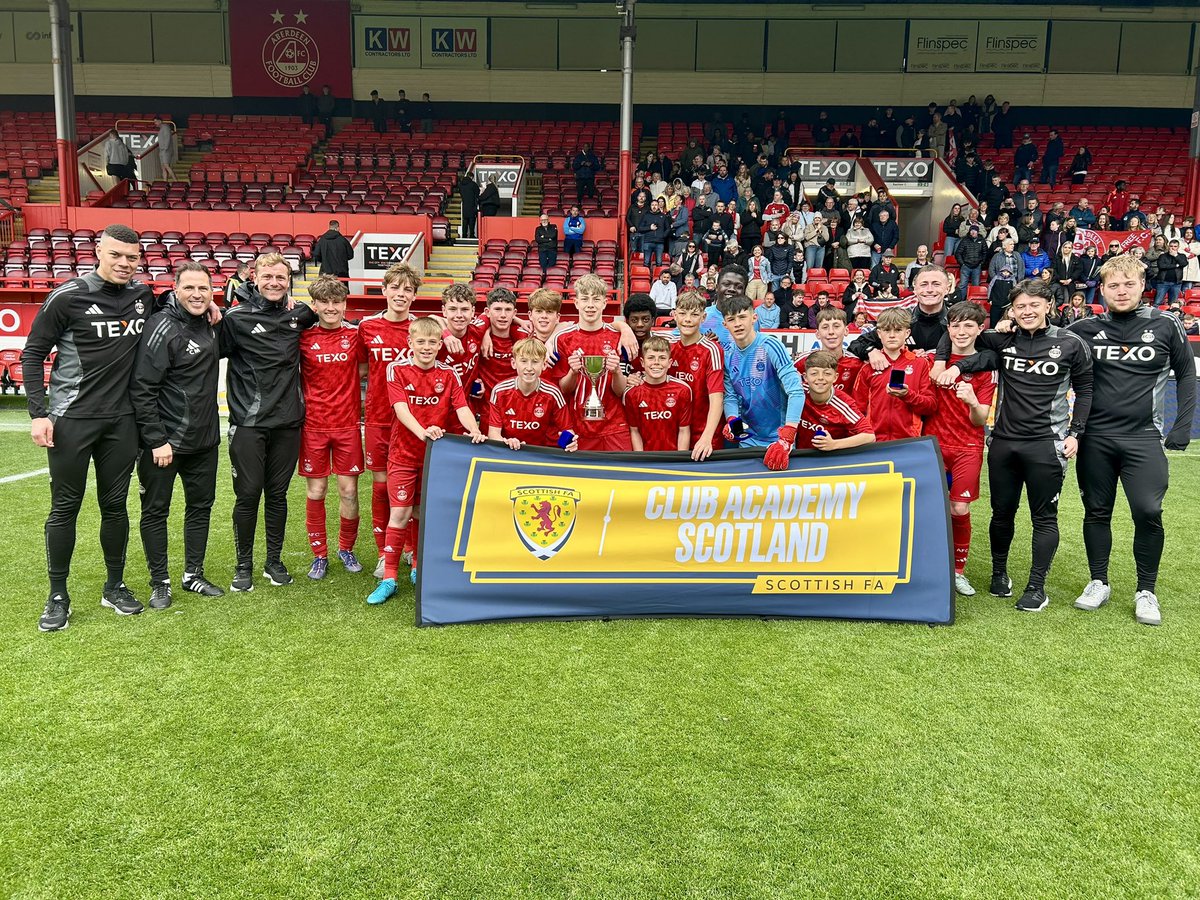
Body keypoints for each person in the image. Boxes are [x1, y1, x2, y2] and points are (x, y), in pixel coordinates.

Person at [24, 225, 157, 631]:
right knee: (65, 507)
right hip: (71, 421)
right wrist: (38, 413)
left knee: (115, 506)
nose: (123, 263)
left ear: (139, 260)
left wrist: (209, 308)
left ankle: (114, 586)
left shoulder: (143, 296)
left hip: (122, 422)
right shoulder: (67, 296)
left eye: (131, 257)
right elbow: (32, 353)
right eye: (116, 254)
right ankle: (57, 595)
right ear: (98, 251)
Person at [935, 279, 1093, 612]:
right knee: (1001, 514)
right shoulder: (1003, 339)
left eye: (1034, 305)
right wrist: (947, 363)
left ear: (1048, 305)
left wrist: (1075, 433)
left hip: (1046, 445)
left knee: (1044, 518)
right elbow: (958, 335)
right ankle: (998, 574)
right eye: (1020, 306)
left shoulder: (1070, 342)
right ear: (1012, 310)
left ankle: (1036, 587)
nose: (1027, 311)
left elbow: (1086, 390)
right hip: (1004, 443)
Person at [1066, 255, 1194, 625]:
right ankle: (1098, 581)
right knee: (1096, 511)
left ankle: (1146, 590)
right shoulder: (1085, 328)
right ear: (1102, 289)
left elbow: (1186, 374)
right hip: (1096, 438)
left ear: (1142, 286)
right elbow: (1050, 354)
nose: (1121, 292)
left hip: (1143, 437)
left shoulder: (1166, 324)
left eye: (1128, 284)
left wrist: (1181, 426)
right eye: (1113, 285)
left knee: (1148, 511)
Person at [129, 261, 225, 611]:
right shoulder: (162, 326)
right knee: (156, 511)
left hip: (205, 442)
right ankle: (160, 582)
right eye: (189, 288)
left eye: (204, 289)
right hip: (165, 445)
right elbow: (142, 388)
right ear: (175, 289)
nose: (197, 295)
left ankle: (193, 574)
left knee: (200, 508)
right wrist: (156, 440)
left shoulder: (212, 324)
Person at [369, 318, 486, 604]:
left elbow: (461, 407)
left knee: (421, 512)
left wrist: (475, 430)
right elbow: (401, 410)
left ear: (439, 345)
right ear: (410, 343)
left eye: (432, 342)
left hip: (434, 457)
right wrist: (424, 433)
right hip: (403, 454)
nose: (426, 347)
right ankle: (389, 579)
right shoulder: (396, 369)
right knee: (400, 513)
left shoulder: (448, 373)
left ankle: (418, 567)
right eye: (420, 342)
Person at [220, 252, 318, 592]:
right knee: (247, 495)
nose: (274, 283)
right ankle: (243, 564)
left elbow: (327, 309)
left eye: (281, 278)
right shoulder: (234, 318)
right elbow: (205, 348)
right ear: (254, 278)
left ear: (289, 281)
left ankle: (273, 561)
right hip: (248, 423)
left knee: (277, 494)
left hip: (289, 421)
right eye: (268, 277)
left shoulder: (300, 314)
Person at [923, 302, 996, 596]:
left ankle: (957, 571)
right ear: (948, 328)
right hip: (933, 444)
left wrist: (972, 402)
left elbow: (981, 419)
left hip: (968, 446)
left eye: (969, 326)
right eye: (956, 325)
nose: (962, 331)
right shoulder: (932, 361)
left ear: (980, 329)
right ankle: (926, 565)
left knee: (959, 507)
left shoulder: (986, 367)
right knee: (928, 506)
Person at [297, 276, 365, 582]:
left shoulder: (356, 336)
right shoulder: (302, 337)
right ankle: (319, 555)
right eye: (324, 302)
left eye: (336, 302)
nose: (331, 307)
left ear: (345, 304)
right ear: (314, 305)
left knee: (349, 490)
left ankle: (346, 549)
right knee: (317, 490)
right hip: (313, 426)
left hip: (348, 425)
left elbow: (366, 366)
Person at [358, 263, 419, 577]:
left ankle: (410, 549)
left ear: (413, 296)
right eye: (395, 288)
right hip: (380, 420)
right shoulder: (367, 327)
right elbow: (360, 370)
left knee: (412, 490)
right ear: (384, 290)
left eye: (407, 289)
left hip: (411, 424)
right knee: (382, 486)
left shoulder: (422, 329)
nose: (400, 294)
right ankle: (385, 552)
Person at [546, 274, 632, 451]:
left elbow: (620, 391)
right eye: (585, 299)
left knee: (622, 475)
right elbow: (563, 389)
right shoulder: (562, 339)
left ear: (605, 303)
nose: (590, 305)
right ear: (576, 303)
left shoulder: (618, 337)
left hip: (614, 427)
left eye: (596, 299)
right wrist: (572, 372)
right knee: (578, 478)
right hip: (577, 426)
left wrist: (616, 372)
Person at [720, 294, 806, 471]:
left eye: (742, 317)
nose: (737, 323)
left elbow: (796, 392)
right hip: (747, 439)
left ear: (754, 317)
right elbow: (730, 397)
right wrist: (733, 422)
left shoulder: (771, 345)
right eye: (731, 319)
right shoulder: (727, 355)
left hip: (778, 439)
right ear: (725, 324)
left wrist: (787, 437)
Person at [851, 308, 936, 443]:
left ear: (907, 333)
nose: (892, 335)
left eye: (897, 330)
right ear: (879, 333)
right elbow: (857, 409)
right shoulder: (868, 367)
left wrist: (908, 395)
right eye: (886, 330)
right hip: (874, 442)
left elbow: (930, 406)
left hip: (908, 442)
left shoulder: (920, 364)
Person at [486, 338, 575, 450]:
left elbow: (567, 430)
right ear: (514, 363)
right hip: (509, 452)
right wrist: (507, 443)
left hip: (540, 454)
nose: (529, 368)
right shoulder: (500, 391)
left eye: (535, 362)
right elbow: (493, 434)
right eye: (523, 361)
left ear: (544, 365)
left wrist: (570, 442)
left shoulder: (553, 393)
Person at [668, 291, 725, 461]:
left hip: (703, 434)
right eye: (683, 313)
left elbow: (717, 398)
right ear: (674, 315)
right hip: (674, 433)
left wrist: (707, 437)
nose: (687, 319)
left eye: (694, 314)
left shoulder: (712, 349)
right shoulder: (667, 346)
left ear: (703, 317)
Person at [792, 350, 875, 453]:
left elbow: (869, 436)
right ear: (805, 377)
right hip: (802, 457)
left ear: (835, 377)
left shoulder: (843, 403)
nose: (820, 378)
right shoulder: (796, 394)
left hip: (832, 459)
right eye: (814, 373)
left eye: (827, 373)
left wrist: (834, 444)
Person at [624, 336, 692, 452]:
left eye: (662, 358)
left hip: (673, 457)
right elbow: (634, 431)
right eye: (651, 358)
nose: (656, 363)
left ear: (670, 362)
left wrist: (680, 460)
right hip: (647, 459)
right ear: (642, 362)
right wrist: (642, 460)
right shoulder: (632, 393)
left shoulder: (682, 390)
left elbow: (684, 430)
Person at [795, 307, 863, 394]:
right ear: (818, 334)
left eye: (836, 326)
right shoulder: (802, 362)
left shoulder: (857, 364)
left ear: (846, 331)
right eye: (825, 327)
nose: (831, 332)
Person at [1153, 240, 1187, 307]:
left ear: (1178, 247)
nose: (1173, 248)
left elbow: (1184, 263)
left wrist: (1175, 255)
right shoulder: (1163, 256)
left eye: (1175, 246)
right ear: (1168, 246)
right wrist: (1176, 265)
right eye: (1171, 246)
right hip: (1163, 282)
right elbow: (1161, 266)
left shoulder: (1182, 256)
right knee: (1157, 303)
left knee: (1173, 304)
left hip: (1176, 283)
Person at [458, 170, 480, 240]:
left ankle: (464, 235)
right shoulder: (473, 184)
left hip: (465, 204)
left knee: (465, 221)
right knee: (472, 220)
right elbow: (477, 193)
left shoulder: (461, 184)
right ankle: (471, 235)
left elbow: (460, 193)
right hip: (472, 205)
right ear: (471, 177)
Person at [154, 117, 175, 181]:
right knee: (163, 167)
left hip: (166, 150)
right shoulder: (162, 129)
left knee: (166, 166)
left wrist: (165, 148)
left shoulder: (165, 128)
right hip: (162, 149)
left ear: (160, 121)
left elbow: (167, 138)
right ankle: (165, 182)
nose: (155, 123)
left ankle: (175, 181)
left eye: (156, 122)